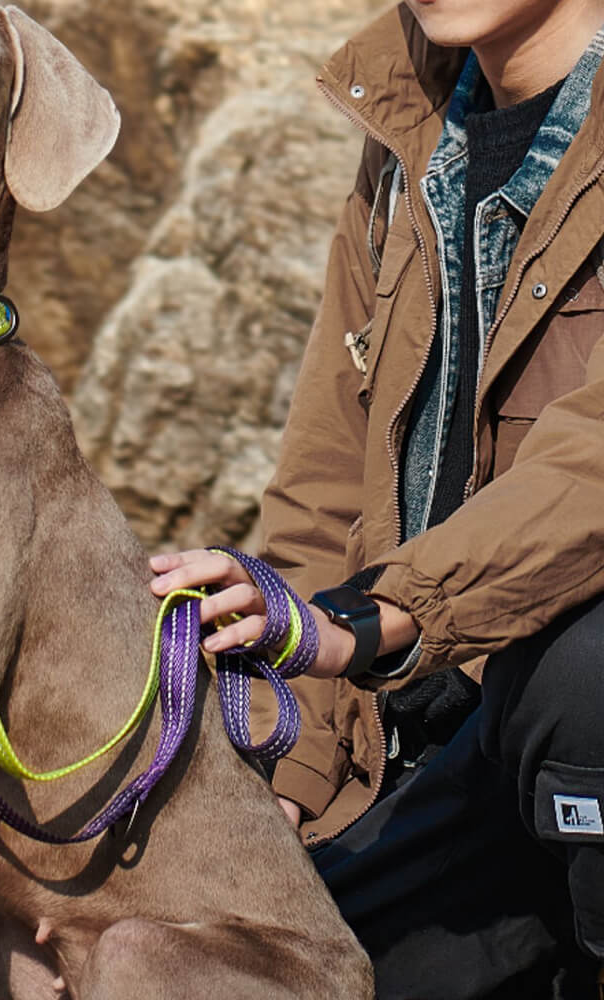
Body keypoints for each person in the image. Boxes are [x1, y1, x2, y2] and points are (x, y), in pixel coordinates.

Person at [150, 0, 604, 996]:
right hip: (443, 733)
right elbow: (319, 486)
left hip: (555, 698)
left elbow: (593, 462)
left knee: (585, 675)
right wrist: (289, 772)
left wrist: (375, 616)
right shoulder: (406, 139)